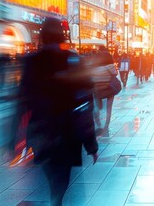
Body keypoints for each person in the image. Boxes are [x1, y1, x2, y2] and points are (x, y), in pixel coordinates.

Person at [18, 17, 99, 206]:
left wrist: (14, 140)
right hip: (68, 134)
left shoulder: (31, 62)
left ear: (43, 36)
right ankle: (56, 201)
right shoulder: (74, 60)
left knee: (52, 177)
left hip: (41, 134)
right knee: (60, 182)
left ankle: (55, 200)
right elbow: (86, 104)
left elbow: (22, 101)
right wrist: (92, 145)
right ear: (62, 35)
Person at [91, 45, 116, 136]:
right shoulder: (110, 66)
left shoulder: (94, 68)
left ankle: (98, 124)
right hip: (109, 89)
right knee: (109, 108)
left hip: (97, 90)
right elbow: (115, 74)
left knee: (96, 108)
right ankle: (106, 126)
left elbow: (91, 77)